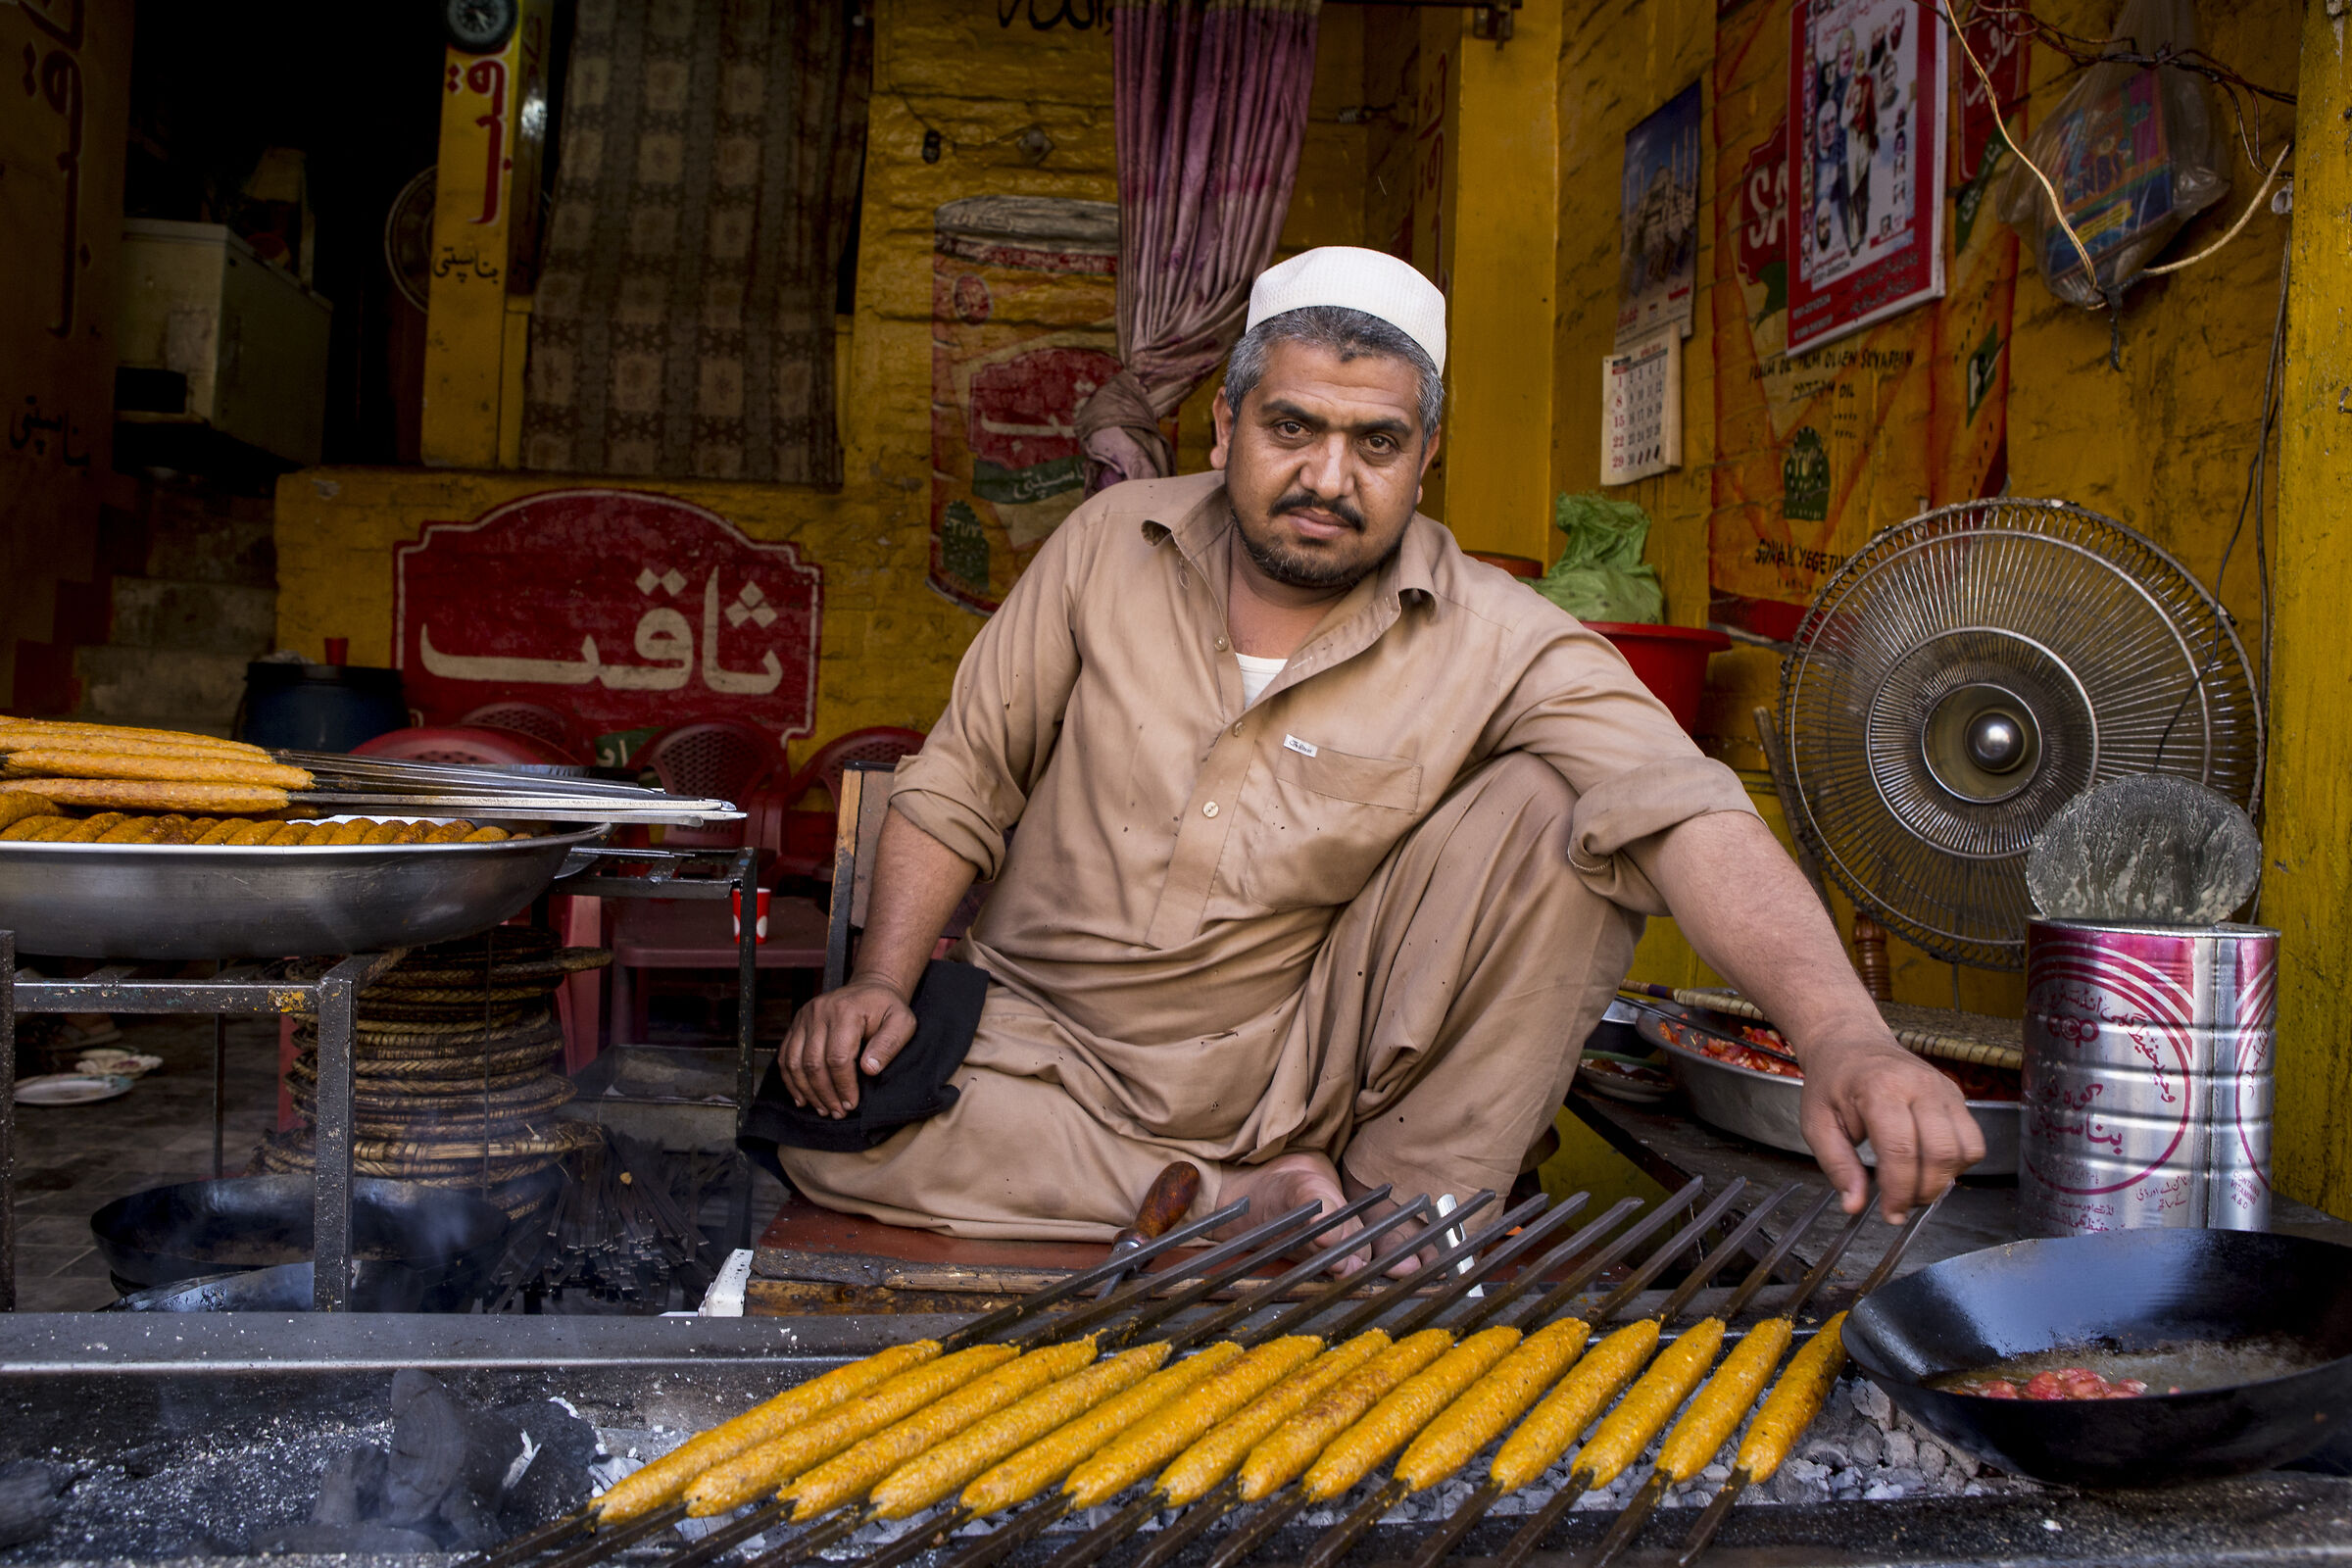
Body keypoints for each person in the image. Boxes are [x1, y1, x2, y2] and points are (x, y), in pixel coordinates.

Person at [772, 248, 1983, 1265]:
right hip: (1030, 1045)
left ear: (1426, 452)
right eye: (1293, 428)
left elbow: (1689, 810)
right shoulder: (1104, 545)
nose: (1328, 480)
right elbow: (964, 775)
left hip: (1291, 1065)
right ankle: (1251, 1207)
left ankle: (1409, 1221)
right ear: (1228, 421)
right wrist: (881, 981)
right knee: (835, 1134)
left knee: (1573, 806)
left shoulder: (1497, 634)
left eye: (1377, 443)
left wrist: (1841, 1036)